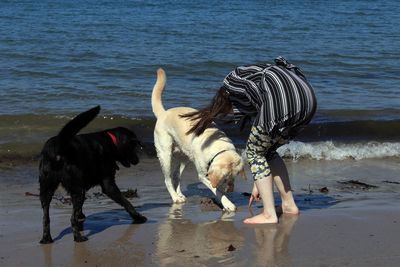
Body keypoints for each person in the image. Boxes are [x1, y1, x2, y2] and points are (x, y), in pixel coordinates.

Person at [181, 56, 317, 224]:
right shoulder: (249, 82)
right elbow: (264, 148)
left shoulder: (231, 82)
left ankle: (269, 214)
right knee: (268, 152)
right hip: (308, 101)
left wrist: (259, 178)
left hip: (283, 101)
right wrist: (259, 183)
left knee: (253, 152)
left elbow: (257, 152)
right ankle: (289, 205)